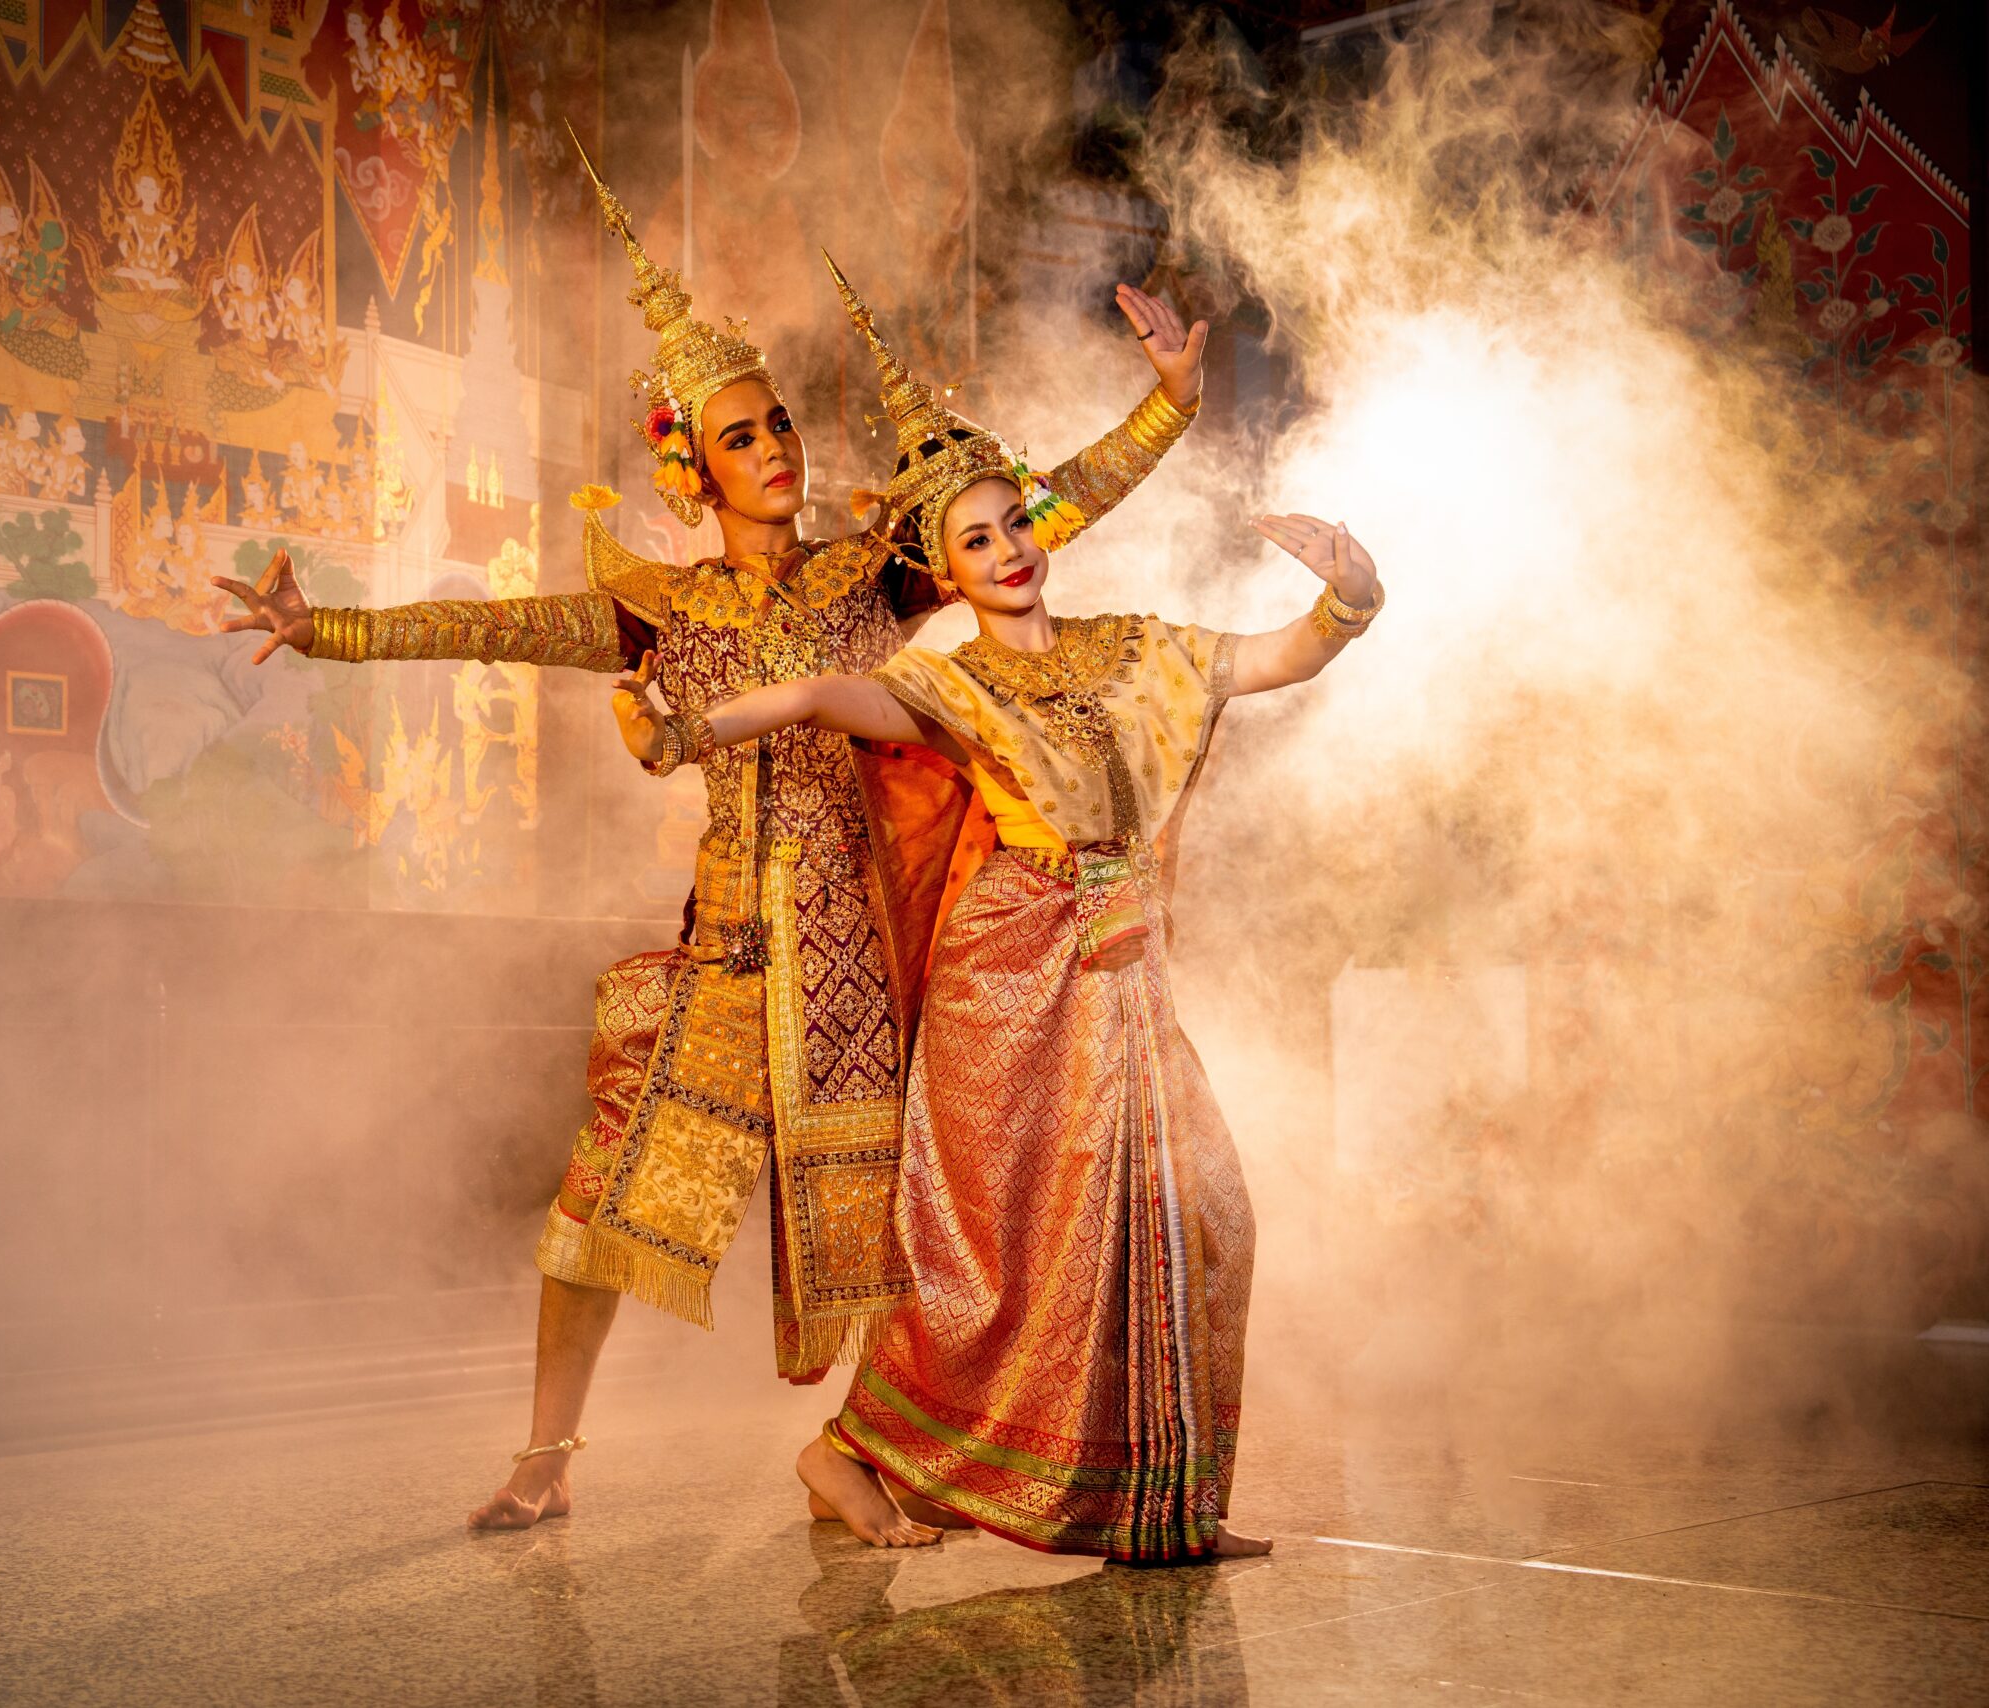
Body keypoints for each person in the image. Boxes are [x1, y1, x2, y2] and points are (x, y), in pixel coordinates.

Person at [212, 144, 1209, 1532]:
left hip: (865, 969)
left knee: (916, 1226)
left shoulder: (875, 576)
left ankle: (861, 1462)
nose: (779, 449)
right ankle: (547, 1461)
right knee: (596, 1212)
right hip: (732, 966)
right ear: (692, 467)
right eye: (743, 436)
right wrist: (325, 631)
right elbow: (489, 626)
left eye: (784, 423)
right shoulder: (662, 612)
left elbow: (1029, 513)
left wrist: (1166, 407)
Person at [616, 265, 1382, 1558]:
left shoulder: (1132, 649)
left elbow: (1274, 658)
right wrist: (684, 724)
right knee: (1001, 1263)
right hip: (1011, 982)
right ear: (946, 569)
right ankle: (848, 1452)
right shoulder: (945, 685)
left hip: (1122, 974)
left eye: (1015, 526)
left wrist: (1350, 593)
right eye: (976, 542)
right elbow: (806, 699)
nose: (1010, 551)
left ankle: (1165, 1504)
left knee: (1199, 1219)